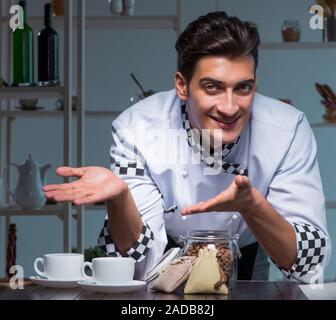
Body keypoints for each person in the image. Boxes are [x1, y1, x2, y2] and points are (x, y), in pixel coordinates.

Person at [43, 12, 331, 283]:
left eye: (243, 88)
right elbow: (134, 264)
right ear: (182, 85)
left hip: (247, 256)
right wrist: (119, 199)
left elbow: (312, 264)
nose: (230, 107)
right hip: (166, 260)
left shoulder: (287, 130)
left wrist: (253, 207)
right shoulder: (138, 129)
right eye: (212, 87)